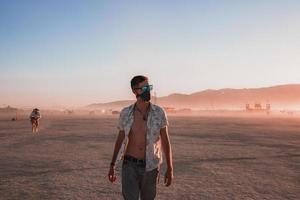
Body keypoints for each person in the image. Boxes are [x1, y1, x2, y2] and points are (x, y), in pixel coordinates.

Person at [108, 75, 173, 200]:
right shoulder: (126, 113)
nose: (147, 91)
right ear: (134, 91)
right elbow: (120, 140)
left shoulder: (159, 113)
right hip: (129, 166)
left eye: (148, 87)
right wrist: (112, 165)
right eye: (143, 88)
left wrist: (170, 168)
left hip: (151, 167)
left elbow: (165, 141)